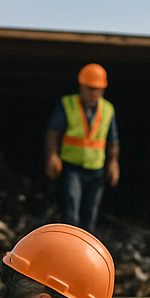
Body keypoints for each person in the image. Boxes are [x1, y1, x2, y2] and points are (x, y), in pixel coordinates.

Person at [44, 62, 120, 234]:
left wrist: (113, 163)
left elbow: (112, 139)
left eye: (97, 89)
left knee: (90, 214)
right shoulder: (68, 104)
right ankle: (70, 253)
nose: (93, 93)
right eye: (89, 88)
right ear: (81, 86)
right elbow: (53, 132)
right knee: (71, 212)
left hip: (96, 170)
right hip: (72, 168)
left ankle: (86, 256)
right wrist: (52, 156)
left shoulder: (108, 109)